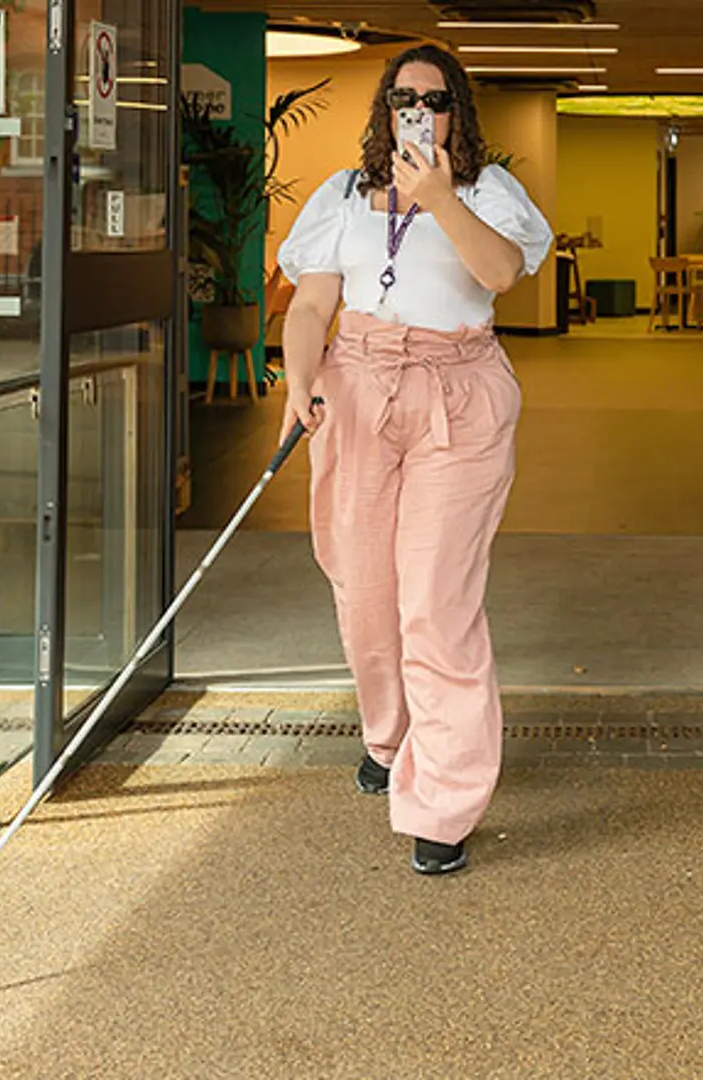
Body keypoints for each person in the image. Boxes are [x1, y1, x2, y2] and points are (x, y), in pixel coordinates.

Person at [275, 45, 554, 876]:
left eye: (434, 101)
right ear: (383, 111)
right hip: (357, 387)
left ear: (457, 114)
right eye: (404, 98)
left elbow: (502, 273)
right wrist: (298, 382)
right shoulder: (343, 197)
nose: (419, 111)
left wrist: (437, 195)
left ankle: (444, 801)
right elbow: (313, 303)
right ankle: (389, 735)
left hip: (456, 393)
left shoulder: (486, 193)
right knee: (363, 587)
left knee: (436, 602)